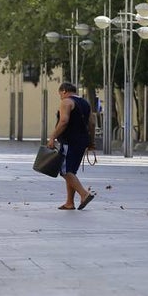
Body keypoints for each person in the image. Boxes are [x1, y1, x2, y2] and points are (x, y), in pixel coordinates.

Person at [47, 82, 97, 210]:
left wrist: (52, 137)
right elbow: (92, 123)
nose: (60, 98)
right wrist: (91, 142)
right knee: (71, 171)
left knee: (65, 171)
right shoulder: (85, 103)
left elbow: (64, 121)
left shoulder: (66, 102)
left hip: (69, 141)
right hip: (82, 141)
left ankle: (84, 194)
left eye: (60, 95)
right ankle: (70, 202)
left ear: (64, 91)